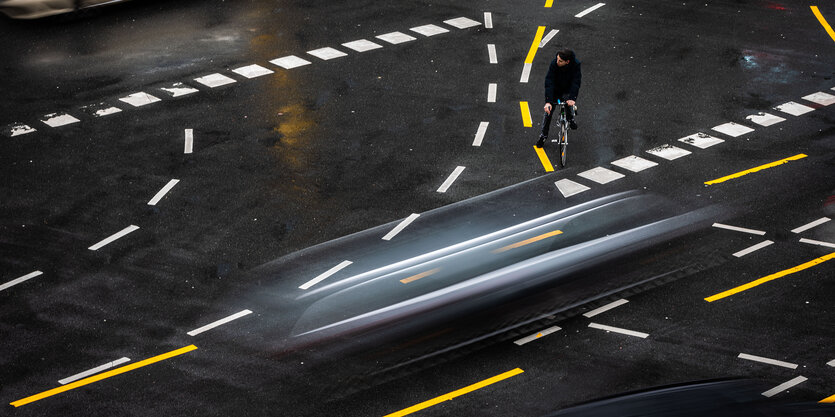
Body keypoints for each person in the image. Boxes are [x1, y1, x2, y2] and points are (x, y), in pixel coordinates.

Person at [537, 49, 581, 148]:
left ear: (567, 62)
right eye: (557, 59)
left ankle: (570, 118)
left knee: (568, 103)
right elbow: (549, 82)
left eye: (560, 61)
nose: (557, 62)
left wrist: (572, 98)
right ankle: (543, 136)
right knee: (548, 113)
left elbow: (576, 82)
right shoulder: (554, 64)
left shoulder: (575, 65)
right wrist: (548, 101)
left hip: (567, 90)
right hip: (556, 90)